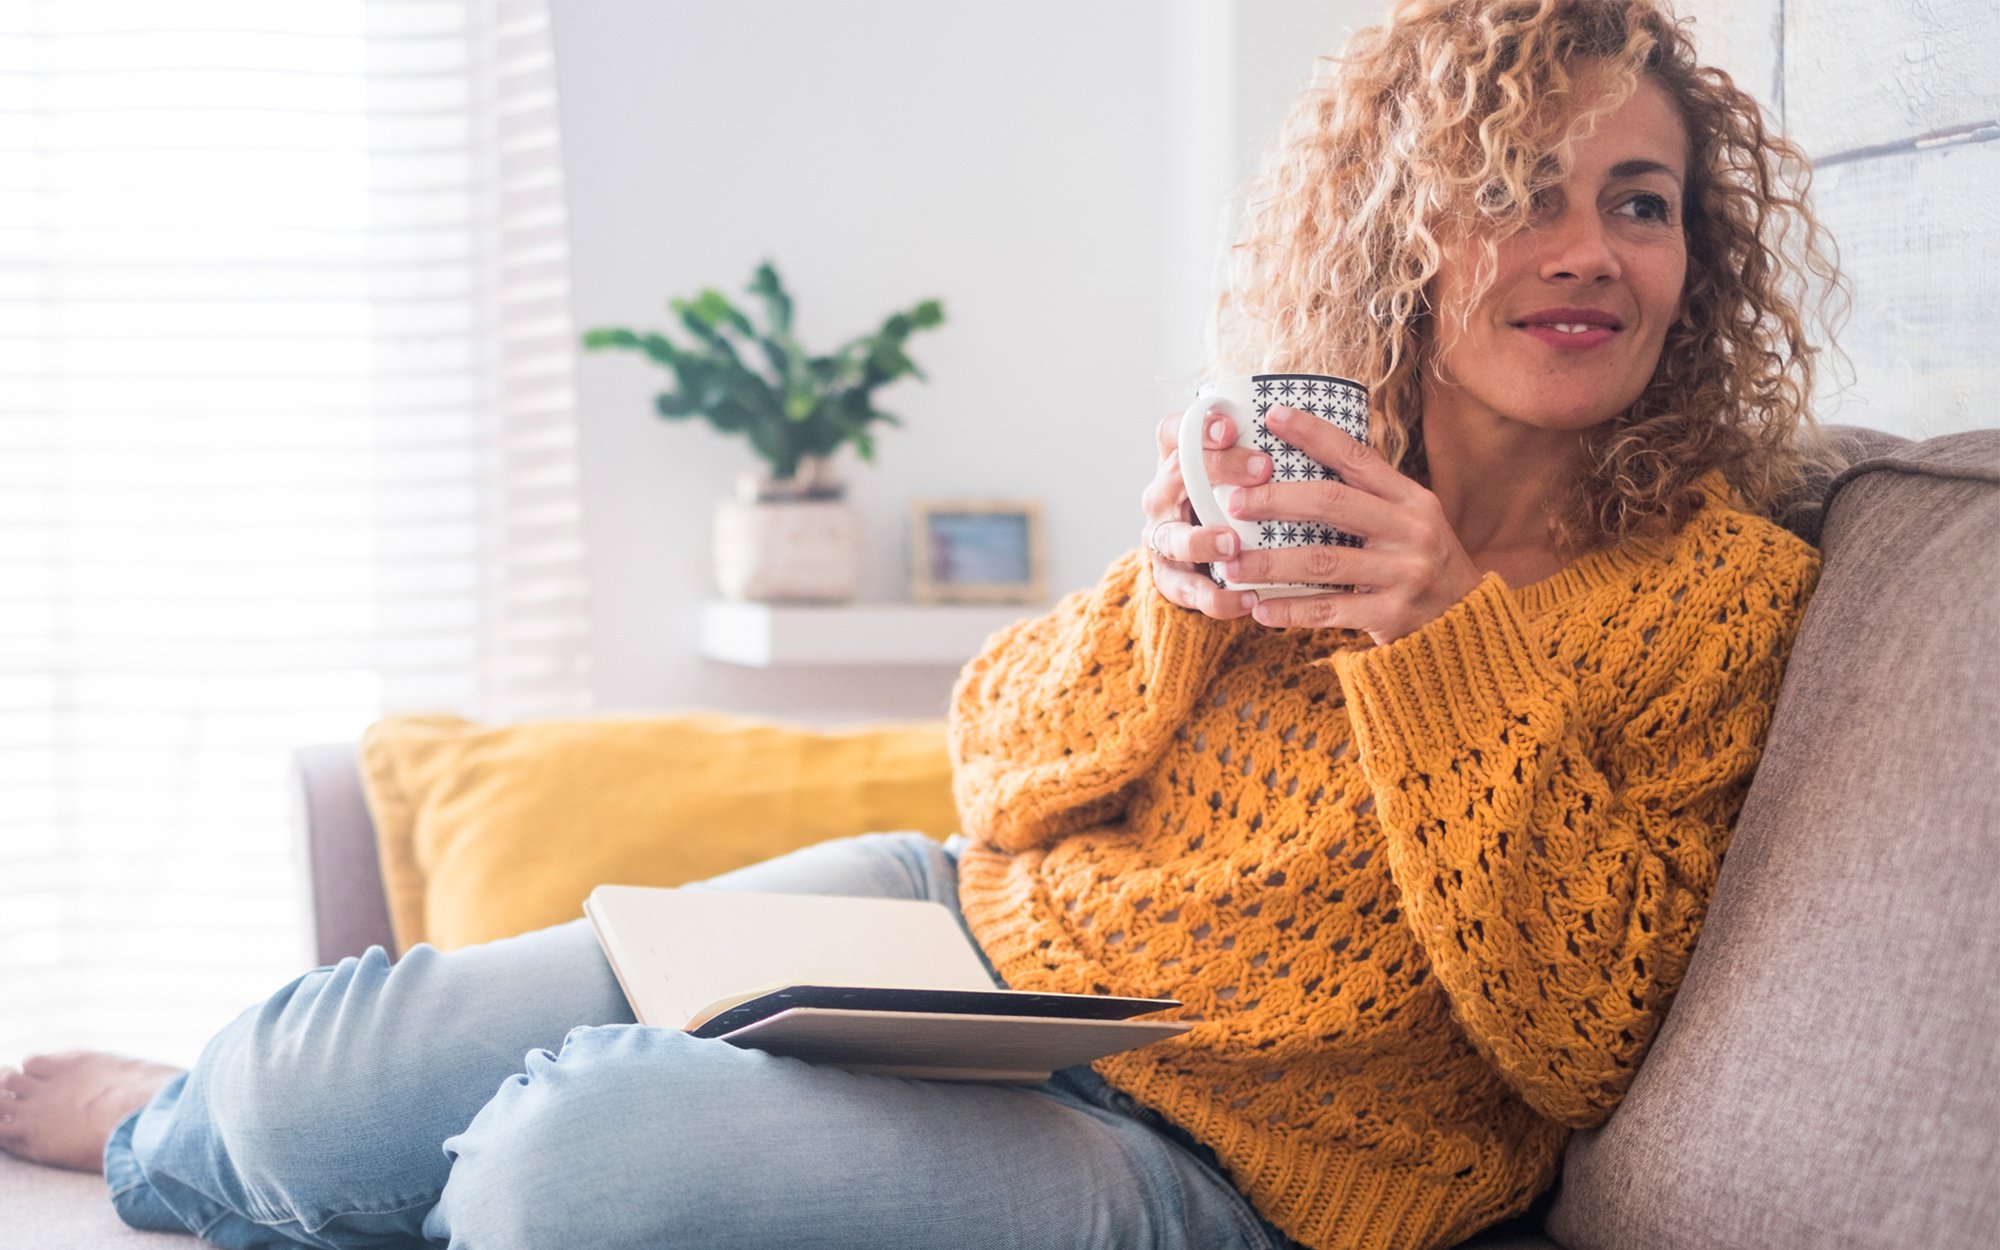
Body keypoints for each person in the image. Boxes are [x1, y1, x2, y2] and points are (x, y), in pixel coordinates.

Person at [0, 1, 1842, 1247]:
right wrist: (1162, 595)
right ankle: (189, 1125)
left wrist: (1441, 637)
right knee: (334, 1065)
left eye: (1641, 203)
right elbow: (1003, 767)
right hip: (949, 928)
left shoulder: (1722, 592)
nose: (1588, 247)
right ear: (1405, 235)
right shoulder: (1298, 461)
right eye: (1519, 191)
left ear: (1699, 262)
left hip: (1200, 1150)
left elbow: (1585, 1036)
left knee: (578, 1154)